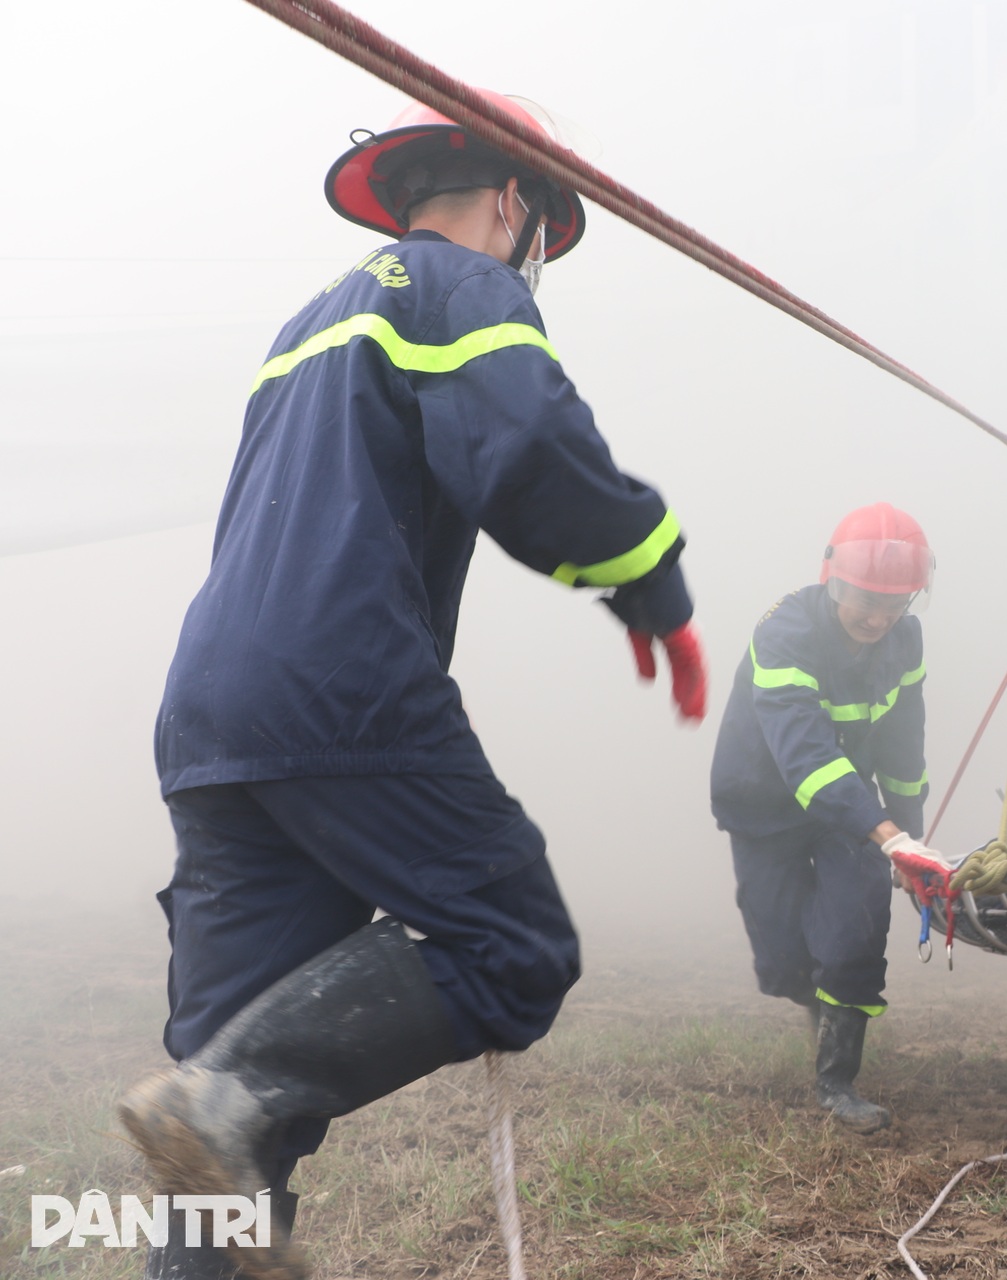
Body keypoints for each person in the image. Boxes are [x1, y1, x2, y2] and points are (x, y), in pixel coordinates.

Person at [118, 91, 706, 1280]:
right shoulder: (457, 284)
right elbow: (530, 446)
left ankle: (213, 1120)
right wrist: (653, 583)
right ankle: (223, 1095)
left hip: (210, 710)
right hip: (341, 685)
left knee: (218, 1091)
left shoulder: (306, 322)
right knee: (513, 942)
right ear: (512, 205)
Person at [710, 503, 949, 1134]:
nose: (878, 617)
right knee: (783, 960)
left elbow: (903, 746)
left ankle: (837, 1080)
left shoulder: (904, 639)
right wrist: (890, 836)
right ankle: (812, 996)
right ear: (831, 582)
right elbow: (807, 760)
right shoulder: (784, 634)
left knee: (855, 927)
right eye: (865, 600)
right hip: (765, 806)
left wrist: (907, 840)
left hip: (852, 817)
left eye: (896, 604)